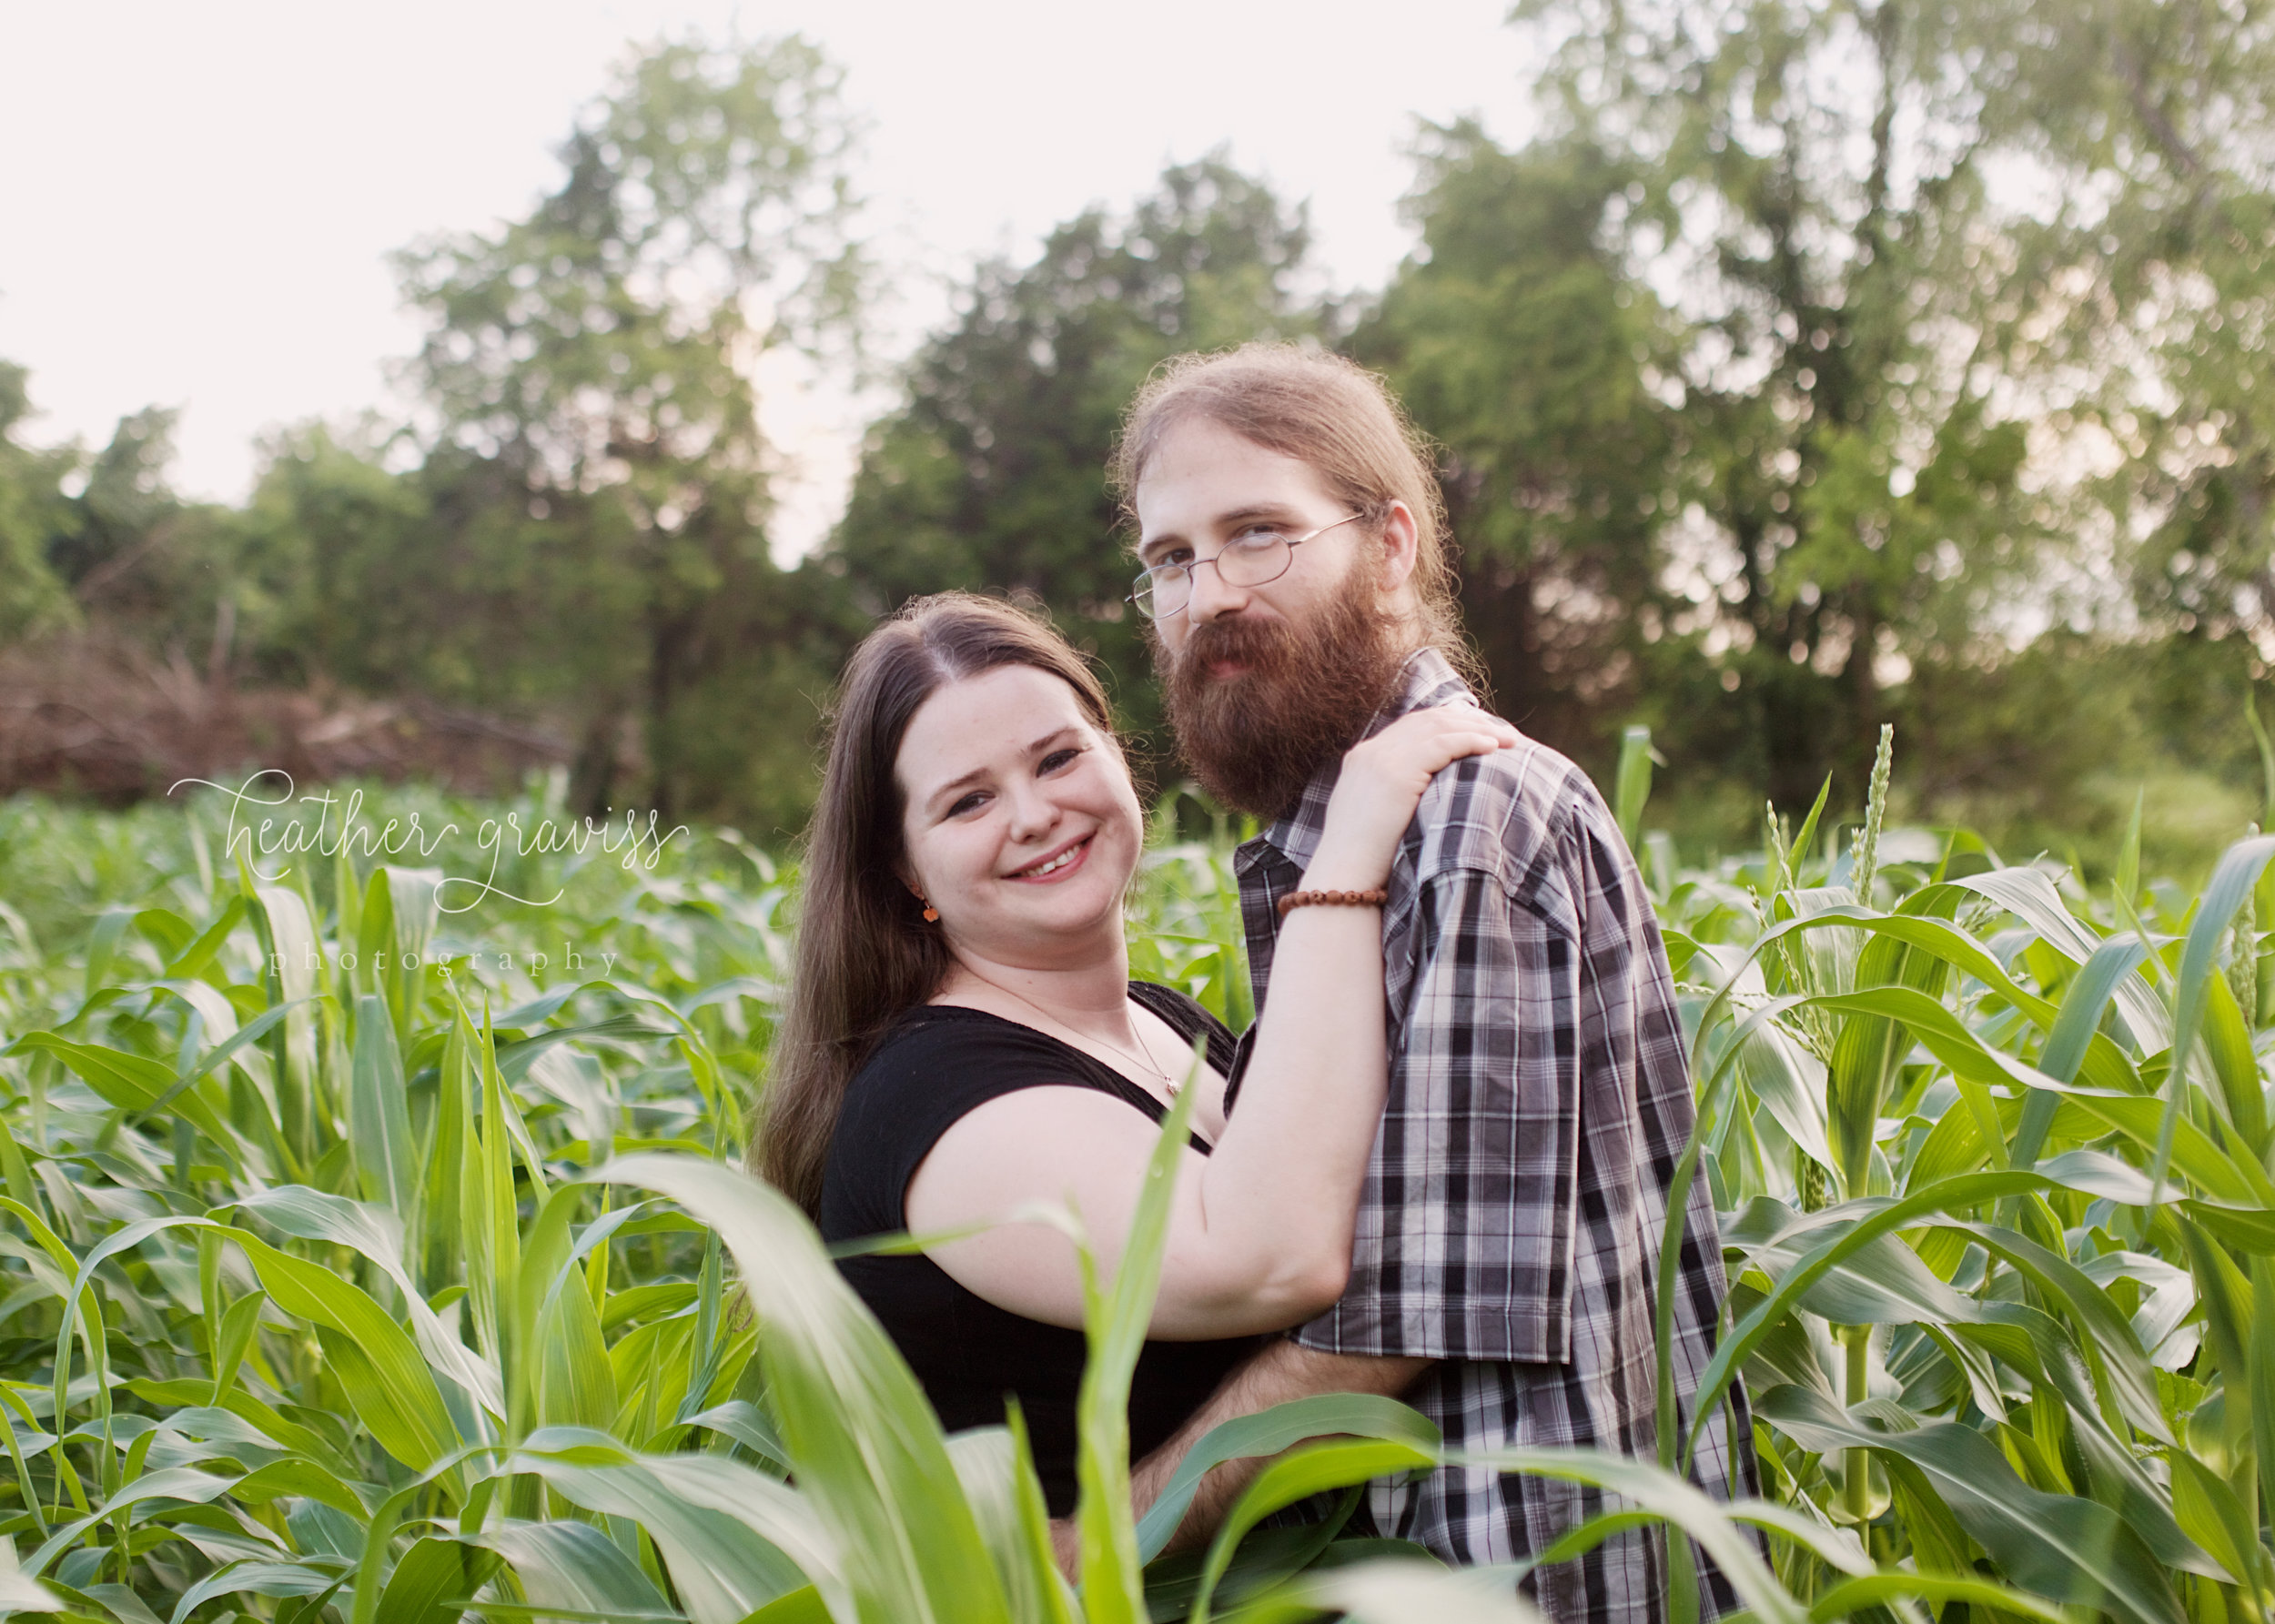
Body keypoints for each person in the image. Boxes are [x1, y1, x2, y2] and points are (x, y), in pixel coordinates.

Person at [1107, 342, 1754, 1621]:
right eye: (1171, 558)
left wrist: (1096, 1533)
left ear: (1391, 545)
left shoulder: (1469, 823)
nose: (1210, 592)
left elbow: (1405, 1318)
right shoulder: (1343, 826)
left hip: (1537, 1573)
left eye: (1260, 534)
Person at [755, 591, 1517, 1516]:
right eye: (968, 801)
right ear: (907, 871)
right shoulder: (935, 1101)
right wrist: (1349, 848)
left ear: (1117, 756)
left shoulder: (1164, 1024)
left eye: (1059, 756)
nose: (1035, 813)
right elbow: (1274, 1260)